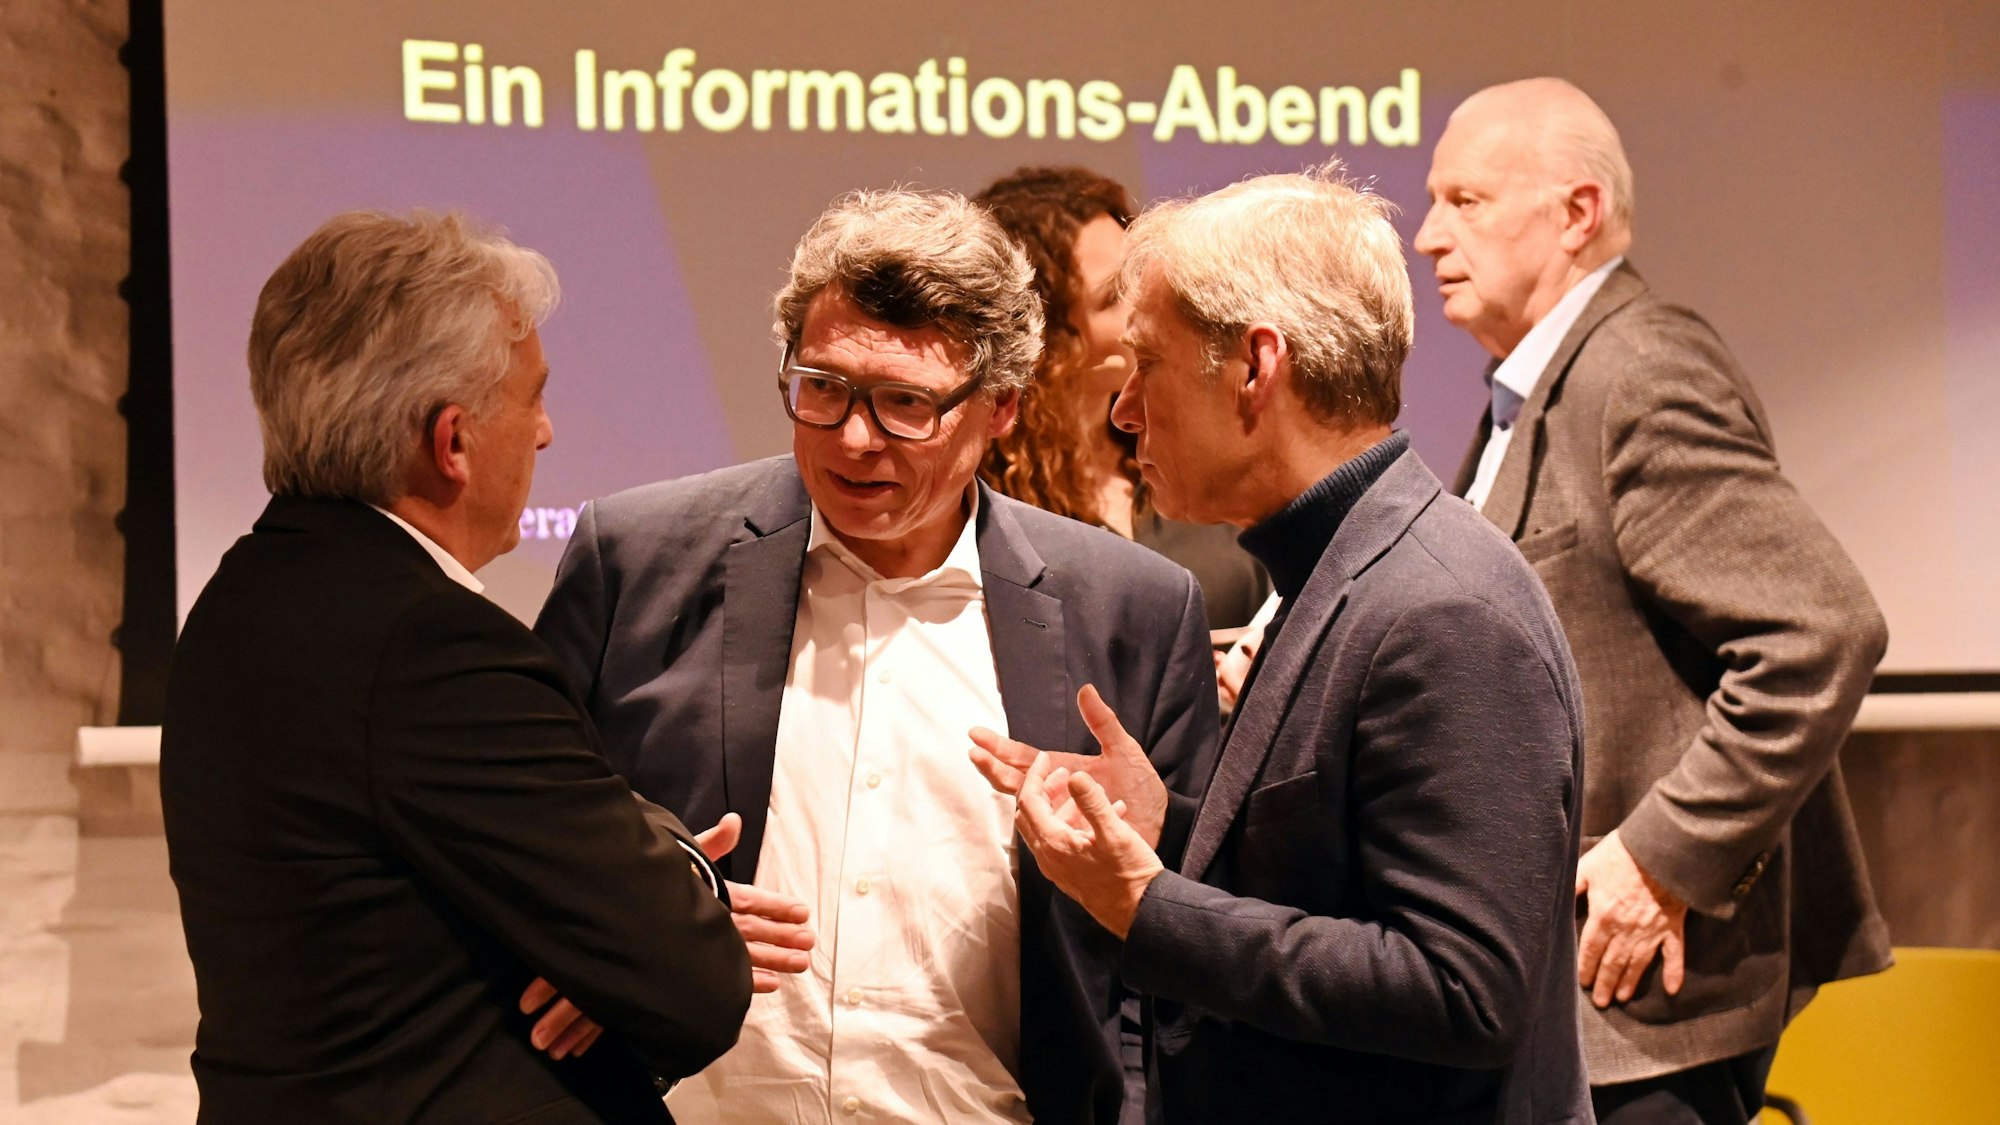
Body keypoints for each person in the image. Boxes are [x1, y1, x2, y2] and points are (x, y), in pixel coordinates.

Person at [533, 189, 1219, 1125]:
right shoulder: (638, 556)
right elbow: (521, 825)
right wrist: (607, 929)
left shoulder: (1131, 609)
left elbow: (1179, 959)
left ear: (1001, 409)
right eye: (825, 388)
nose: (856, 439)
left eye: (905, 404)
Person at [971, 164, 1592, 1124]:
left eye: (1149, 365)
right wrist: (1164, 831)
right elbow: (1329, 879)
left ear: (1257, 366)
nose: (1125, 408)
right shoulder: (1348, 568)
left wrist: (1147, 904)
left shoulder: (1442, 609)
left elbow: (1462, 991)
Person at [160, 210, 753, 1122]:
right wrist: (680, 871)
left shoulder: (242, 597)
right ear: (453, 442)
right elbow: (694, 979)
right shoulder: (434, 647)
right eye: (533, 397)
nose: (548, 433)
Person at [1414, 78, 1891, 1123]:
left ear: (1575, 213)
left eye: (1465, 201)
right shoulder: (1537, 384)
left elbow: (1819, 631)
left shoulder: (1633, 372)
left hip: (1641, 1003)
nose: (1426, 235)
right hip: (1564, 1001)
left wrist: (1659, 858)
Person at [976, 165, 1271, 633]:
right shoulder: (983, 510)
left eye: (1141, 280)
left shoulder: (1199, 457)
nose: (1145, 309)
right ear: (1042, 338)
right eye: (1114, 296)